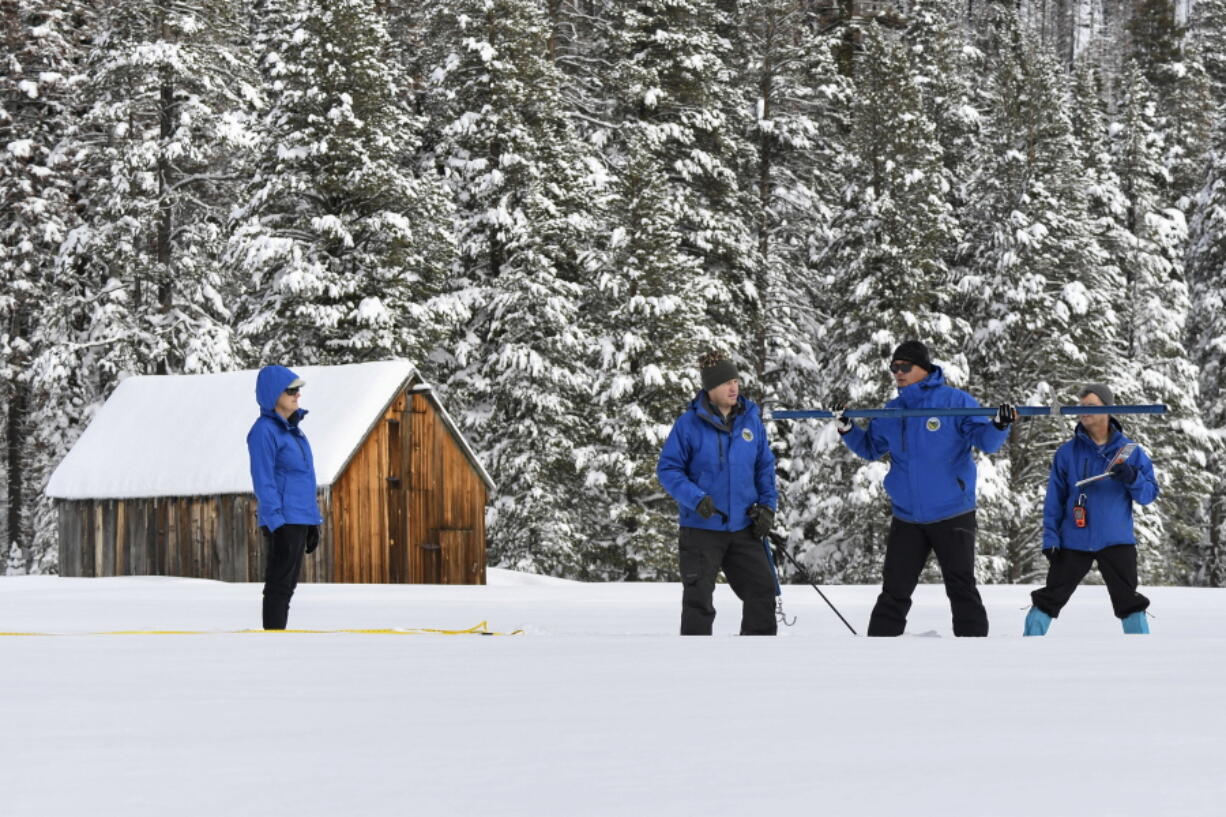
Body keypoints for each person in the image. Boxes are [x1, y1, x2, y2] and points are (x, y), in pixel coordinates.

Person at [838, 340, 1015, 637]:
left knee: (961, 587)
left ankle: (975, 654)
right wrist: (846, 427)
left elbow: (987, 441)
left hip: (952, 512)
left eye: (905, 366)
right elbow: (870, 448)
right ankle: (876, 655)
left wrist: (999, 424)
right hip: (907, 516)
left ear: (924, 368)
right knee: (894, 590)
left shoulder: (955, 402)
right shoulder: (893, 411)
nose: (898, 373)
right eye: (894, 368)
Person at [657, 351, 779, 636]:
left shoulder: (751, 422)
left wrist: (767, 507)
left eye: (735, 380)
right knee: (699, 601)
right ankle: (697, 667)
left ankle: (759, 662)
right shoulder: (688, 424)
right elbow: (669, 469)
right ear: (710, 388)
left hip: (744, 526)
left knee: (762, 593)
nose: (733, 387)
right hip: (701, 527)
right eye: (726, 382)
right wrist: (696, 498)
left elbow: (765, 468)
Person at [1024, 384, 1159, 636]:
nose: (1083, 411)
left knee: (1129, 601)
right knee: (1049, 598)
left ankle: (1141, 654)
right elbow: (1054, 500)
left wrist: (1132, 477)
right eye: (1080, 406)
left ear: (1108, 410)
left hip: (1117, 540)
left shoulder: (1130, 451)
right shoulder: (1066, 453)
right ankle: (1028, 645)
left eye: (1091, 406)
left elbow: (1149, 495)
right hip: (1073, 540)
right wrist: (1050, 537)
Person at [247, 365, 322, 630]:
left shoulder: (294, 431)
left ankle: (279, 636)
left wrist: (312, 521)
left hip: (299, 517)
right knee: (279, 584)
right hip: (283, 519)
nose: (297, 396)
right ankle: (273, 639)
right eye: (290, 390)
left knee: (288, 585)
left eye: (298, 390)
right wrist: (275, 522)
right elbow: (263, 479)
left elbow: (303, 480)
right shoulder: (264, 431)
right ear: (273, 394)